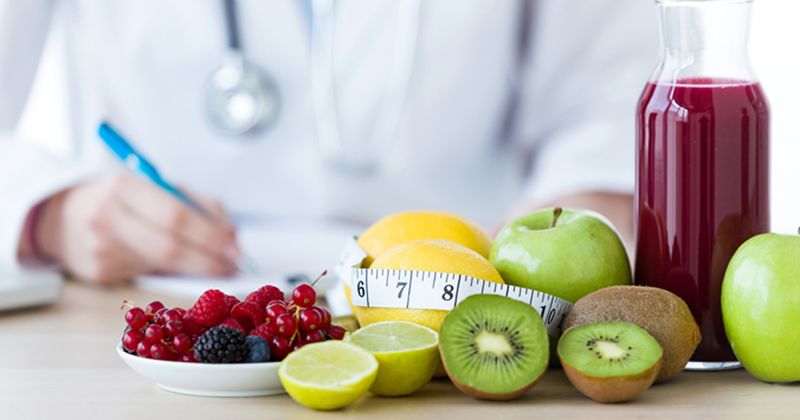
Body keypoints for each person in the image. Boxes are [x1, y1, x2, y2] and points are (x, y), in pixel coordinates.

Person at [0, 0, 657, 284]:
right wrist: (50, 211)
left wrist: (573, 219)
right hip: (159, 310)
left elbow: (605, 106)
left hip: (458, 300)